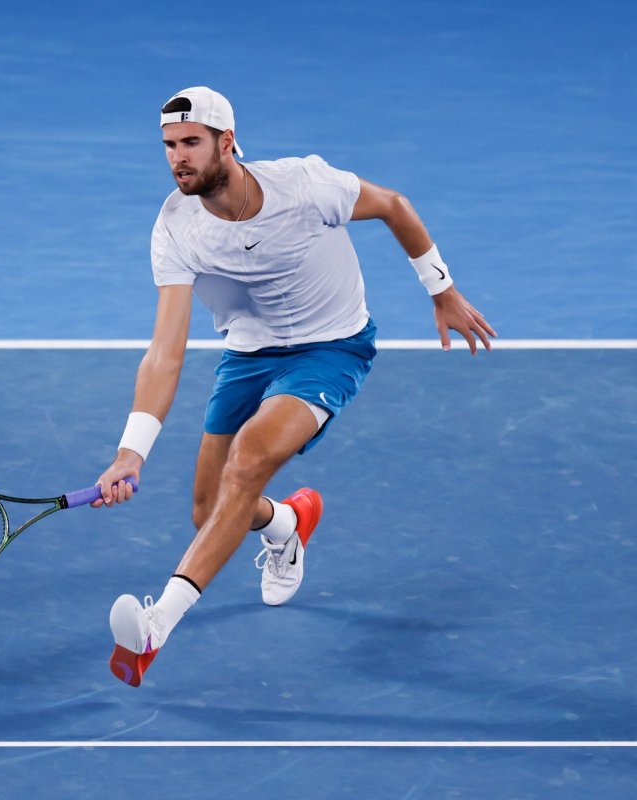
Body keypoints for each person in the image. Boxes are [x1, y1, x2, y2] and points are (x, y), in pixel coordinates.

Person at [93, 86, 495, 687]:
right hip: (249, 354)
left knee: (248, 458)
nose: (178, 158)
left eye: (191, 144)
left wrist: (441, 289)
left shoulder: (305, 186)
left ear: (227, 143)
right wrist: (133, 448)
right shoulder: (175, 228)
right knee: (209, 509)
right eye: (170, 146)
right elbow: (165, 351)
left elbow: (394, 205)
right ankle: (286, 525)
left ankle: (155, 629)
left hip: (330, 348)